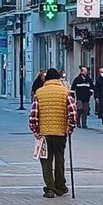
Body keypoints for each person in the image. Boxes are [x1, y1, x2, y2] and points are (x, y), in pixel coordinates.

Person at [29, 68, 77, 198]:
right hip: (61, 132)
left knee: (46, 161)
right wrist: (70, 128)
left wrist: (35, 130)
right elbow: (72, 113)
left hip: (44, 133)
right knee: (60, 158)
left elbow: (34, 114)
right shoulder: (65, 92)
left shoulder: (39, 93)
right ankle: (60, 186)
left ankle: (49, 188)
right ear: (58, 79)